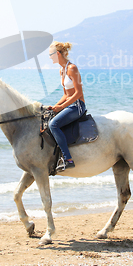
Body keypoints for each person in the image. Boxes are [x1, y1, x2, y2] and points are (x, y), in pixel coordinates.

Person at [48, 41, 86, 172]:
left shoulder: (72, 68)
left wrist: (62, 106)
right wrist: (55, 106)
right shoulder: (61, 70)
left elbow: (78, 93)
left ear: (57, 54)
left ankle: (68, 159)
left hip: (77, 106)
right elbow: (66, 94)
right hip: (69, 105)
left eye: (51, 54)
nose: (50, 57)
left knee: (53, 125)